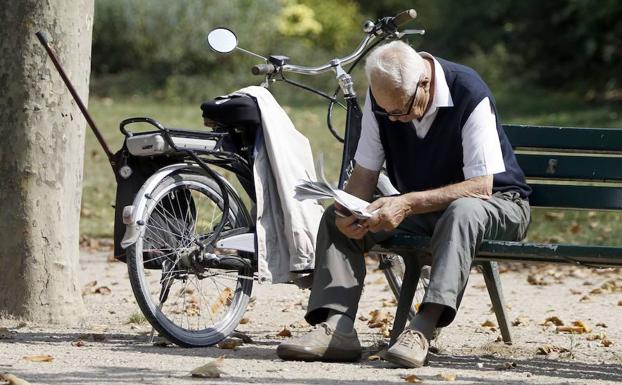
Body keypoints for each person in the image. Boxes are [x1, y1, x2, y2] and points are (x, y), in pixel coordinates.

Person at [277, 41, 531, 368]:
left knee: (462, 211)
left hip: (499, 205)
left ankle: (423, 329)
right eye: (388, 112)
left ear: (424, 83)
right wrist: (348, 210)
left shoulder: (468, 91)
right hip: (429, 210)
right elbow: (366, 173)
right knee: (333, 218)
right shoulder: (383, 100)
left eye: (401, 110)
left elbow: (481, 188)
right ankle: (337, 327)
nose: (395, 120)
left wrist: (406, 204)